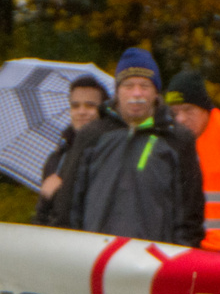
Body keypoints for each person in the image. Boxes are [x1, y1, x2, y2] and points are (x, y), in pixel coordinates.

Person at [69, 49, 204, 246]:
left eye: (144, 86)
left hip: (154, 261)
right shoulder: (92, 136)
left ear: (156, 91)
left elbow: (190, 212)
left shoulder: (177, 139)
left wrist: (179, 257)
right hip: (96, 255)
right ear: (117, 91)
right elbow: (72, 203)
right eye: (129, 85)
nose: (137, 93)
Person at [164, 71, 220, 253]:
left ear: (205, 108)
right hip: (183, 248)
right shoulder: (166, 141)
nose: (181, 118)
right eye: (175, 112)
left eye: (188, 110)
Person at [33, 75, 115, 226]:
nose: (81, 112)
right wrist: (45, 198)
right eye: (75, 106)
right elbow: (42, 222)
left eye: (90, 106)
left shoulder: (113, 153)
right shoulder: (57, 160)